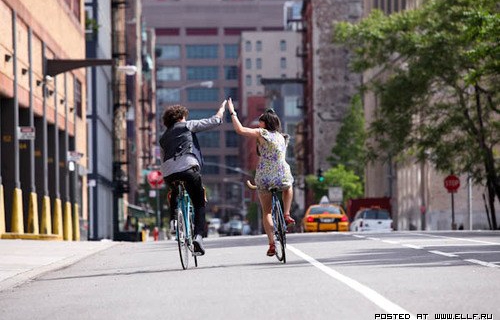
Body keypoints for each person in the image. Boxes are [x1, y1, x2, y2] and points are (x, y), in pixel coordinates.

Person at [226, 97, 295, 256]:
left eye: (261, 122)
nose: (259, 125)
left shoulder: (262, 133)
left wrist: (232, 112)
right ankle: (287, 213)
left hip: (264, 177)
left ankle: (272, 243)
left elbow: (241, 130)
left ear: (265, 124)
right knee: (289, 186)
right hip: (282, 174)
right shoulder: (282, 137)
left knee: (267, 212)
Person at [159, 102, 225, 255]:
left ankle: (174, 221)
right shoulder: (187, 125)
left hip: (169, 173)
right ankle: (198, 237)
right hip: (188, 168)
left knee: (174, 190)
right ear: (181, 117)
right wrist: (221, 110)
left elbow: (162, 161)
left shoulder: (162, 138)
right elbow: (214, 121)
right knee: (199, 202)